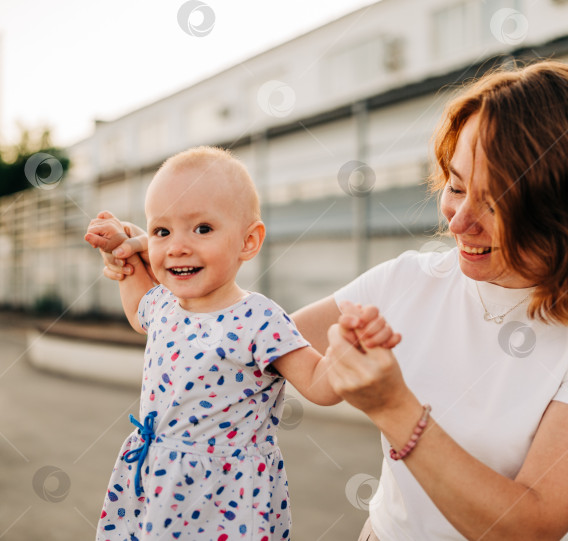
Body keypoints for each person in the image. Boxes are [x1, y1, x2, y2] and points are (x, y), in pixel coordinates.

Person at [97, 61, 568, 540]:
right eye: (457, 185)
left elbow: (532, 525)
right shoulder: (407, 279)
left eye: (494, 203)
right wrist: (167, 257)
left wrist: (394, 407)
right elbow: (230, 343)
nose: (459, 220)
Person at [84, 146, 398, 541]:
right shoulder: (163, 304)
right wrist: (119, 249)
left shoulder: (260, 320)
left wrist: (349, 347)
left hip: (223, 497)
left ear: (249, 241)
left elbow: (319, 384)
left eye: (201, 229)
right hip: (153, 476)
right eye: (162, 231)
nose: (177, 246)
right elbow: (137, 309)